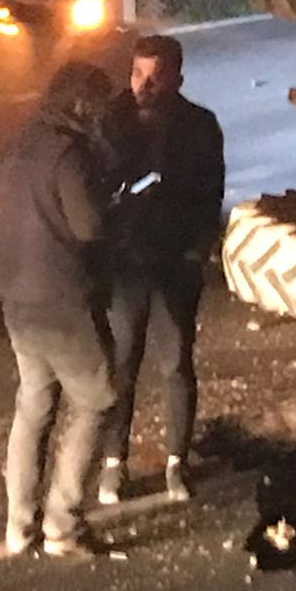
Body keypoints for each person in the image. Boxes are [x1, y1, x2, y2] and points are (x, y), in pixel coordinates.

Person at [0, 61, 118, 558]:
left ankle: (19, 526)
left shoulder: (9, 147)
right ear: (81, 104)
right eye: (99, 105)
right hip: (63, 302)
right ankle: (64, 523)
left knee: (34, 407)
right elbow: (89, 228)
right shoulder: (69, 155)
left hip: (15, 299)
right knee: (97, 401)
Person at [98, 35, 224, 505]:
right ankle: (114, 463)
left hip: (175, 263)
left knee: (175, 364)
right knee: (122, 364)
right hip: (127, 263)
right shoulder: (112, 119)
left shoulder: (201, 127)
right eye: (136, 74)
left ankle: (177, 462)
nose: (142, 86)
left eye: (154, 77)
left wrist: (197, 251)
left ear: (176, 78)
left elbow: (211, 194)